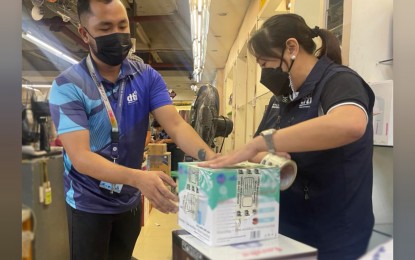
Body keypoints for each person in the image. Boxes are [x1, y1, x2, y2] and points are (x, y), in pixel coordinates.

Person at [48, 0, 216, 259]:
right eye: (105, 28)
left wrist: (212, 159)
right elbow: (81, 157)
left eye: (122, 25)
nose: (117, 34)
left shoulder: (146, 76)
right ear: (84, 34)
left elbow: (176, 125)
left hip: (128, 202)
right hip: (87, 203)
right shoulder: (69, 86)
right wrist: (139, 178)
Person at [200, 13, 375, 260]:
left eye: (265, 63)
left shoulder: (339, 81)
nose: (266, 73)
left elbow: (351, 124)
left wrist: (264, 143)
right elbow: (259, 152)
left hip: (335, 231)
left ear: (291, 47)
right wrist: (269, 155)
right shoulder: (281, 98)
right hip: (288, 225)